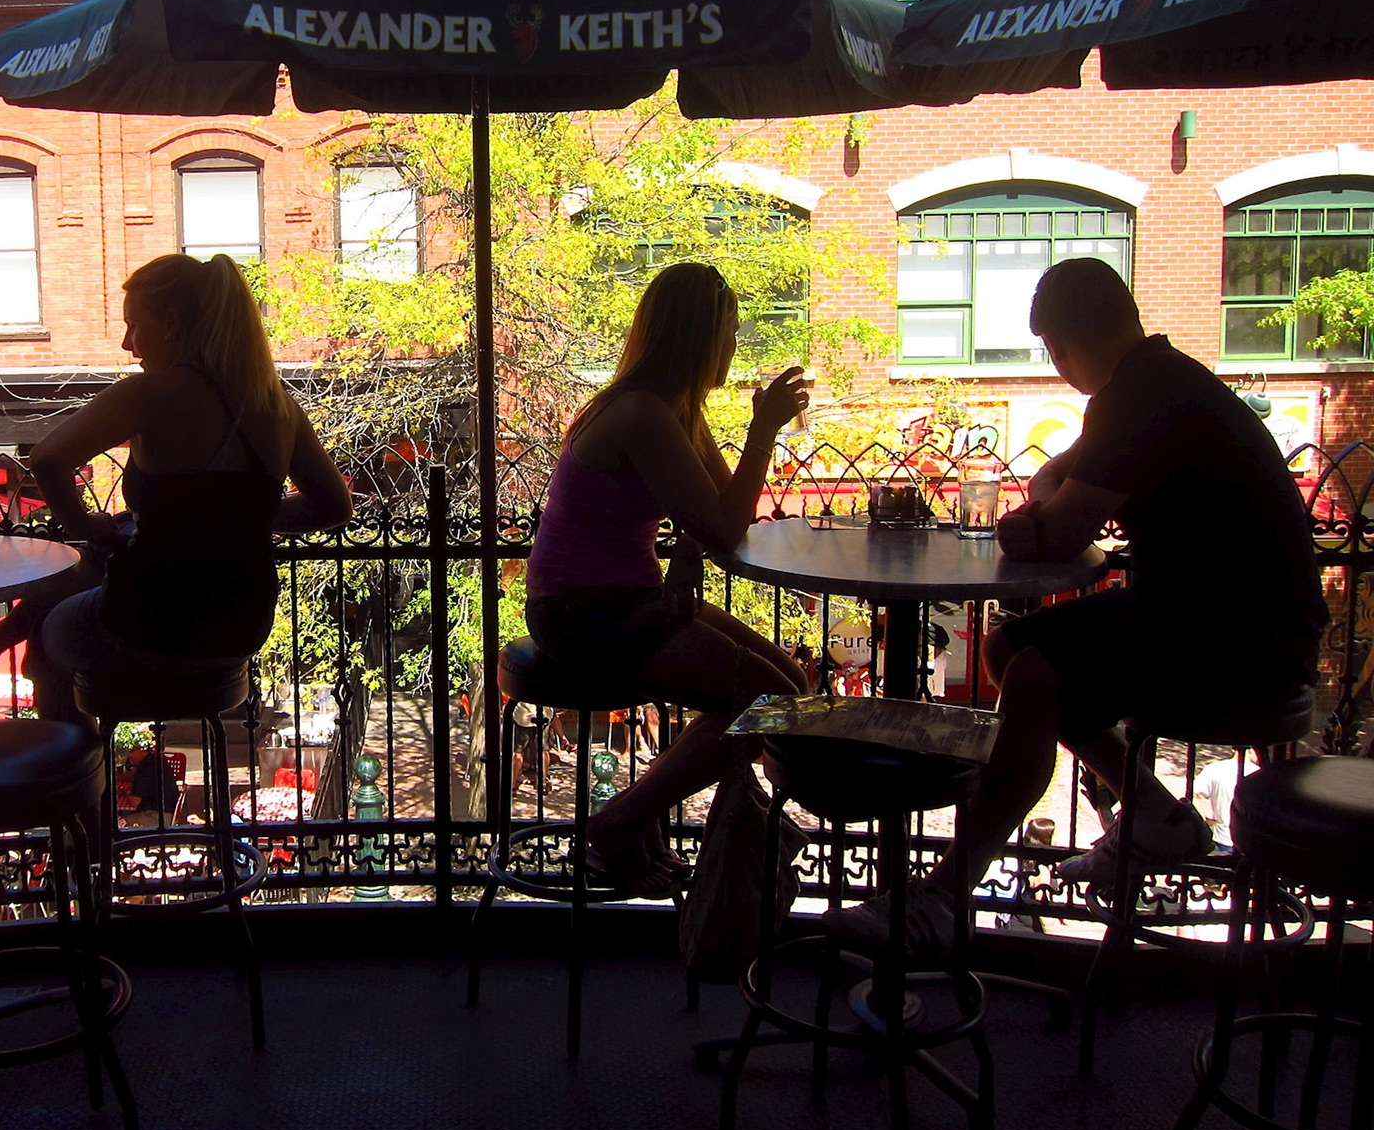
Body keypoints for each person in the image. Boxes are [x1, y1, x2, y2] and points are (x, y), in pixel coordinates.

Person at [828, 258, 1325, 949]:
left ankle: (943, 896)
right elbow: (1059, 476)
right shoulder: (1157, 381)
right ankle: (1156, 816)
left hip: (1242, 640)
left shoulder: (1138, 396)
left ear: (1060, 346)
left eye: (1053, 354)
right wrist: (1046, 508)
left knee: (1033, 672)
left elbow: (1059, 530)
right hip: (1220, 619)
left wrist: (1041, 520)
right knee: (1007, 648)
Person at [524, 261, 813, 897]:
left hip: (627, 598)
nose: (734, 347)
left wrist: (690, 543)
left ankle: (634, 820)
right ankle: (615, 825)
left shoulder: (674, 408)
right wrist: (762, 431)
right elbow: (727, 523)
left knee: (789, 689)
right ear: (697, 338)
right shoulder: (642, 414)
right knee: (771, 706)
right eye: (728, 333)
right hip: (584, 613)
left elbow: (711, 511)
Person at [29, 253, 352, 700]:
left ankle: (74, 765)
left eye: (133, 325)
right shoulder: (276, 406)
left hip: (149, 626)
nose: (128, 344)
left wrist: (84, 526)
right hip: (241, 628)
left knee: (47, 631)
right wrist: (237, 519)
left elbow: (46, 459)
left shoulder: (148, 395)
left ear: (172, 323)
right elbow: (334, 507)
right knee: (98, 567)